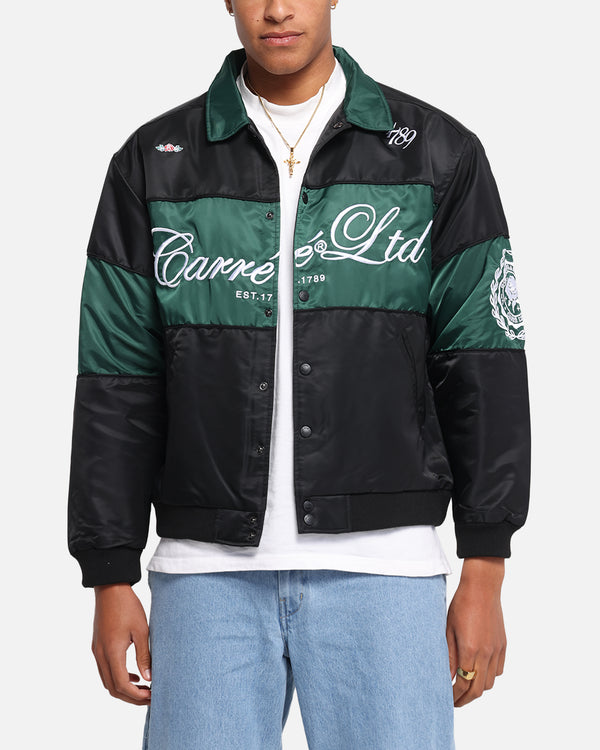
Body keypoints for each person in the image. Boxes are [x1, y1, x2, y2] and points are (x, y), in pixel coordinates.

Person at [67, 1, 531, 748]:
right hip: (204, 578)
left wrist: (486, 564)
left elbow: (483, 363)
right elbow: (118, 381)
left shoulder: (437, 155)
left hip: (384, 572)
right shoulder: (153, 161)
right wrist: (109, 572)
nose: (278, 8)